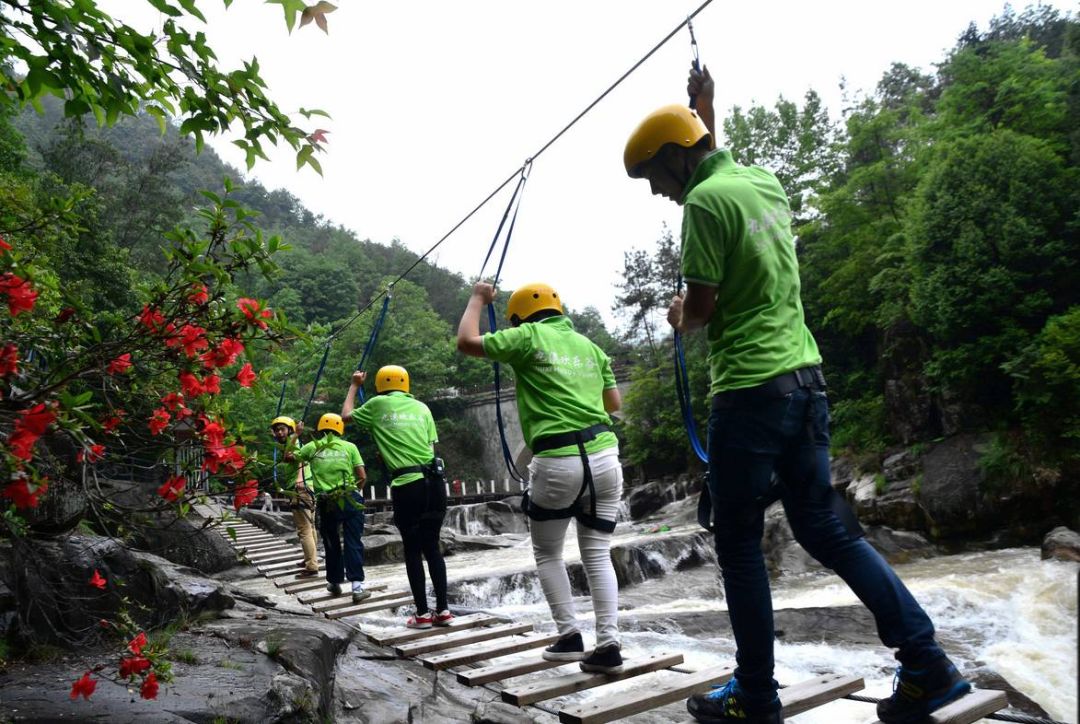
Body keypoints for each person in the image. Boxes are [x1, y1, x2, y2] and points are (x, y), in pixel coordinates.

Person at [621, 67, 971, 724]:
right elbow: (716, 164)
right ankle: (928, 663)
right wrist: (705, 106)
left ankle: (755, 693)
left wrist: (679, 317)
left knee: (738, 544)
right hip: (806, 384)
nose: (657, 193)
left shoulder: (701, 205)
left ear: (673, 157)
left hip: (749, 394)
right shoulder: (762, 182)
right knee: (828, 529)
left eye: (653, 177)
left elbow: (702, 306)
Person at [457, 281, 625, 674]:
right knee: (598, 552)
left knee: (548, 552)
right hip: (604, 457)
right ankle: (609, 645)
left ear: (518, 318)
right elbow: (613, 403)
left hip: (557, 460)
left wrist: (478, 298)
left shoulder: (527, 336)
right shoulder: (592, 348)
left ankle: (569, 637)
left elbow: (466, 341)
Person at [341, 365, 453, 629]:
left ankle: (422, 615)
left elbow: (345, 416)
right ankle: (443, 611)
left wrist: (355, 385)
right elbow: (429, 449)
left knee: (412, 550)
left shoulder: (378, 404)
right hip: (435, 484)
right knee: (432, 547)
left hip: (407, 485)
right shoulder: (422, 408)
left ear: (381, 385)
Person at [296, 412, 370, 602]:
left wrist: (296, 434)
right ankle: (357, 588)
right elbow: (362, 476)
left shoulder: (312, 447)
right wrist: (355, 491)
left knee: (331, 542)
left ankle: (335, 583)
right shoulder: (350, 447)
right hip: (349, 497)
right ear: (340, 428)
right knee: (353, 541)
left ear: (321, 427)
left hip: (327, 500)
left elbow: (288, 457)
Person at [270, 416, 319, 577]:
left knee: (304, 529)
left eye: (282, 429)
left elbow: (297, 459)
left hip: (301, 488)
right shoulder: (293, 441)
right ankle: (310, 559)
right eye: (277, 430)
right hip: (308, 486)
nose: (279, 432)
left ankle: (311, 566)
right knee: (310, 526)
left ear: (290, 430)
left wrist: (299, 479)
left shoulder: (295, 441)